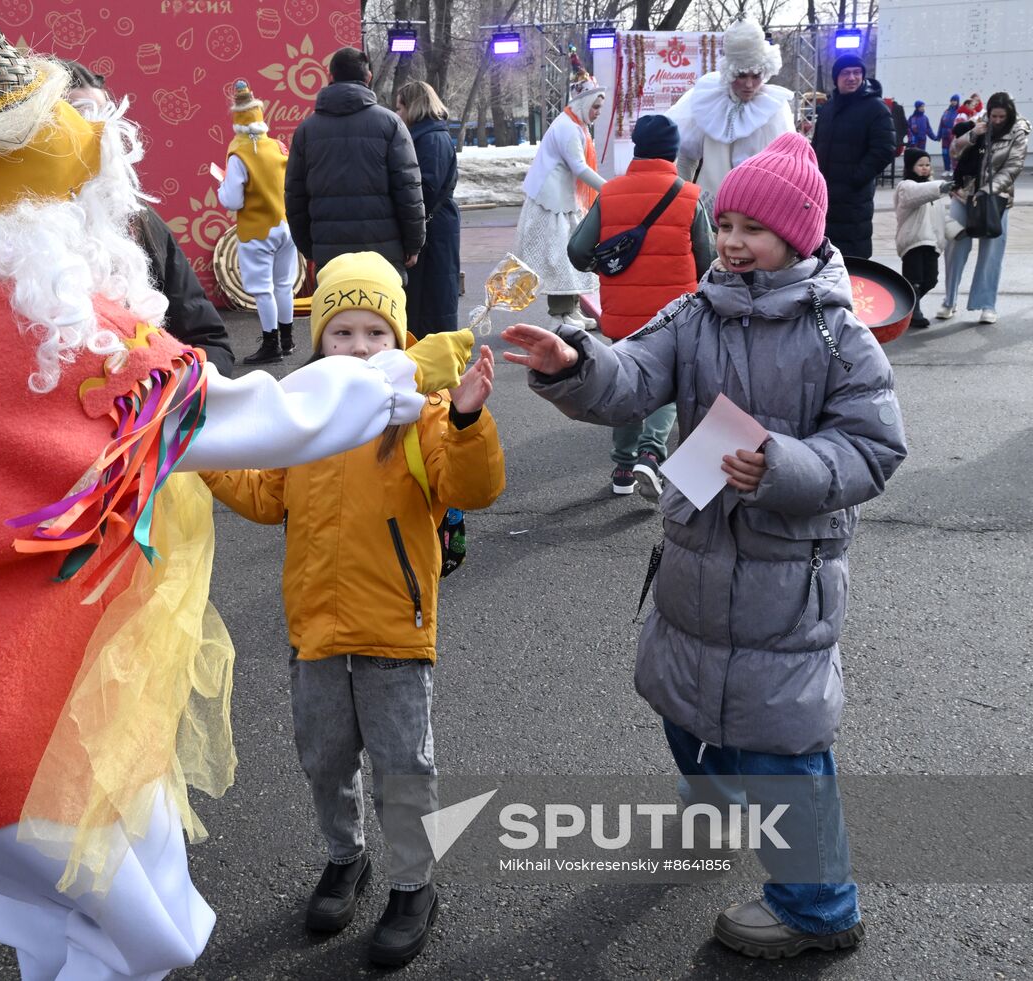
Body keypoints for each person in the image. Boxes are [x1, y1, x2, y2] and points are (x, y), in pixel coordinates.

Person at [0, 4, 432, 978]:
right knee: (137, 934)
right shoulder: (72, 335)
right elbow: (257, 419)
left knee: (64, 923)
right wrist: (385, 382)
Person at [504, 133, 907, 960]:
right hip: (692, 557)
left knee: (781, 742)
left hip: (783, 574)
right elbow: (634, 377)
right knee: (684, 701)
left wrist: (784, 464)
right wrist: (575, 362)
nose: (729, 242)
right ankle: (718, 801)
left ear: (797, 235)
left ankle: (818, 907)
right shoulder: (696, 308)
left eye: (751, 230)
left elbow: (873, 449)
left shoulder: (838, 335)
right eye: (724, 225)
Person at [203, 253, 505, 968]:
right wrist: (207, 452)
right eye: (343, 332)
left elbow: (476, 483)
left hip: (394, 632)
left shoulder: (423, 417)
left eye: (377, 332)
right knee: (324, 759)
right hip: (314, 630)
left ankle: (412, 883)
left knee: (405, 766)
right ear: (320, 345)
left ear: (400, 343)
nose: (361, 347)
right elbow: (263, 493)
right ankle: (347, 857)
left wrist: (465, 418)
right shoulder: (302, 419)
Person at [566, 114, 714, 498]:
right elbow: (707, 258)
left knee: (625, 378)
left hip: (622, 310)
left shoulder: (611, 193)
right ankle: (651, 454)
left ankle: (622, 468)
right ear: (673, 151)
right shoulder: (689, 196)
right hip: (675, 312)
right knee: (668, 380)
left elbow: (578, 251)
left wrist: (604, 265)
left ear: (638, 148)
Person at [64, 60, 236, 375]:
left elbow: (208, 339)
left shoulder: (138, 223)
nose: (97, 132)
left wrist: (183, 392)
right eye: (79, 115)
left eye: (105, 117)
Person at [286, 47, 425, 278]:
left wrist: (308, 248)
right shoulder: (391, 124)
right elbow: (408, 190)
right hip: (383, 256)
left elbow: (295, 198)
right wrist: (414, 243)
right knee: (382, 314)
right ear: (368, 77)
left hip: (330, 256)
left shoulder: (305, 131)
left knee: (337, 314)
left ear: (330, 77)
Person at [515, 47, 606, 329]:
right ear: (583, 103)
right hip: (550, 202)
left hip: (562, 201)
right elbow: (579, 168)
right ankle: (560, 314)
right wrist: (610, 189)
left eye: (600, 107)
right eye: (596, 106)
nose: (598, 113)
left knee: (569, 253)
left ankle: (571, 310)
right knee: (558, 257)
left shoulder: (576, 125)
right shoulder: (567, 127)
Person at [667, 17, 795, 215]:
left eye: (756, 76)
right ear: (729, 74)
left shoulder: (775, 108)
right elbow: (685, 155)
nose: (749, 85)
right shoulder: (706, 99)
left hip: (758, 211)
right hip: (710, 210)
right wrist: (683, 201)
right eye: (742, 76)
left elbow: (786, 169)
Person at [217, 79, 299, 365]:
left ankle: (270, 344)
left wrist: (221, 186)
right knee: (283, 286)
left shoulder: (239, 152)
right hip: (285, 226)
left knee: (263, 290)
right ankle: (288, 341)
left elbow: (232, 201)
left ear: (237, 121)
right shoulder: (277, 146)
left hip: (257, 231)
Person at [938, 92, 1030, 324]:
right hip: (963, 195)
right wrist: (971, 135)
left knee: (991, 253)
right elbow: (954, 153)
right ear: (988, 113)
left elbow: (1013, 166)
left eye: (1002, 116)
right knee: (955, 245)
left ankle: (987, 305)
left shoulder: (1019, 130)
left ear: (1009, 114)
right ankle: (949, 301)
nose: (997, 120)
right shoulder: (978, 124)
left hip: (995, 199)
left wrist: (987, 191)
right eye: (993, 116)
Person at [811, 53, 896, 259]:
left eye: (857, 72)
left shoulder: (875, 108)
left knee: (852, 260)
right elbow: (816, 145)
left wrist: (855, 177)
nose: (852, 77)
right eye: (846, 73)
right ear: (836, 77)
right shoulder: (828, 108)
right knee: (824, 256)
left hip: (853, 200)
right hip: (825, 196)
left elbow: (885, 149)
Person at [396, 80, 461, 337]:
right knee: (431, 294)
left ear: (413, 107)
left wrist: (411, 231)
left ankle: (433, 357)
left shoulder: (430, 139)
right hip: (436, 224)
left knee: (432, 296)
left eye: (400, 108)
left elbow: (425, 188)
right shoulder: (430, 135)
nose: (398, 115)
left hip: (433, 227)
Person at [894, 148, 954, 329]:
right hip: (913, 241)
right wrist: (940, 187)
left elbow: (943, 216)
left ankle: (908, 303)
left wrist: (957, 230)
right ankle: (914, 312)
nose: (925, 168)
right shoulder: (905, 187)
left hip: (932, 242)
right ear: (911, 166)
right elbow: (916, 193)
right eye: (920, 165)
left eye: (927, 164)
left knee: (931, 280)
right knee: (914, 279)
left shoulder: (934, 190)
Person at [937, 94, 961, 175]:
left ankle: (954, 169)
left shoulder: (959, 112)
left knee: (953, 152)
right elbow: (941, 124)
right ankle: (947, 169)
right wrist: (939, 135)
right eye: (952, 100)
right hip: (945, 136)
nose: (953, 102)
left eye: (955, 100)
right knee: (945, 153)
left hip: (953, 135)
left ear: (958, 102)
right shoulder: (946, 112)